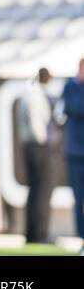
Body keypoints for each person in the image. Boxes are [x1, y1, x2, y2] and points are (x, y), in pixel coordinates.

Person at [18, 68, 55, 245]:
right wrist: (43, 141)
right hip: (38, 146)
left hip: (28, 146)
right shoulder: (36, 96)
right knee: (42, 191)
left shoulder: (28, 94)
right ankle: (40, 234)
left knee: (34, 191)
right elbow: (38, 124)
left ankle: (31, 233)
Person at [59, 58, 84, 251]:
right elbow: (74, 108)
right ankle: (82, 237)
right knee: (79, 198)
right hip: (76, 153)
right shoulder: (70, 86)